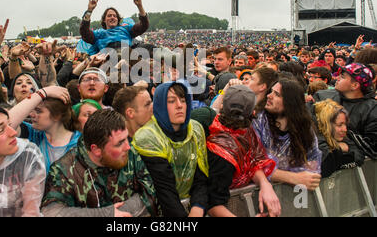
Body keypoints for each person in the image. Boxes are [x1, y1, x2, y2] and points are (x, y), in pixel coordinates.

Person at [41, 109, 160, 217]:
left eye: (126, 139)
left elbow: (152, 195)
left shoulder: (131, 155)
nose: (128, 147)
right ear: (96, 150)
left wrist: (122, 212)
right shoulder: (64, 170)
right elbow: (51, 212)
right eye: (119, 143)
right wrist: (105, 214)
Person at [132, 82, 209, 217]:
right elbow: (164, 189)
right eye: (171, 101)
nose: (179, 105)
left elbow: (201, 177)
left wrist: (198, 207)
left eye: (183, 100)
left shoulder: (196, 129)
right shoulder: (148, 137)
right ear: (160, 105)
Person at [204, 85, 280, 217]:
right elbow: (212, 204)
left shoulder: (244, 132)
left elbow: (252, 160)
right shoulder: (221, 153)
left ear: (222, 107)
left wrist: (264, 184)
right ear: (253, 113)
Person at [252, 78, 322, 191]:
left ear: (290, 103)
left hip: (292, 198)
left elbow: (312, 171)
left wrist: (300, 177)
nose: (269, 96)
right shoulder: (256, 122)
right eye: (271, 91)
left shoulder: (305, 130)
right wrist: (294, 177)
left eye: (277, 94)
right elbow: (253, 165)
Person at [8, 85, 81, 173]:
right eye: (33, 109)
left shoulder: (80, 143)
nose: (31, 114)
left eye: (38, 111)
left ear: (56, 115)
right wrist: (42, 93)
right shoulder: (34, 135)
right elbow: (7, 124)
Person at [313, 63, 377, 151]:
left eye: (342, 77)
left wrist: (347, 146)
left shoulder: (372, 109)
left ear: (355, 85)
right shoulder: (322, 96)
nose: (337, 78)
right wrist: (333, 145)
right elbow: (310, 128)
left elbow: (372, 144)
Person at [79, 0, 149, 54]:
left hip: (127, 57)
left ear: (118, 20)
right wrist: (89, 11)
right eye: (109, 16)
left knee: (150, 48)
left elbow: (143, 26)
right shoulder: (98, 34)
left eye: (115, 16)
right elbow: (84, 32)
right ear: (104, 20)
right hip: (108, 59)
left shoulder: (126, 29)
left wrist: (140, 6)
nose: (112, 17)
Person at [314, 99, 365, 178]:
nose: (345, 129)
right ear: (327, 125)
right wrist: (339, 148)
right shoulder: (315, 140)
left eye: (345, 124)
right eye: (340, 125)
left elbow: (359, 156)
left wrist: (341, 149)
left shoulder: (345, 136)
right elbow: (325, 168)